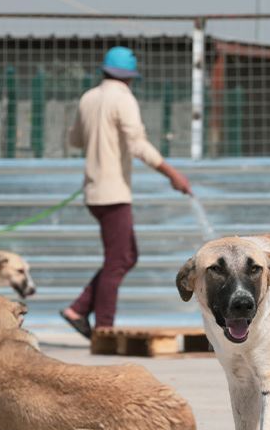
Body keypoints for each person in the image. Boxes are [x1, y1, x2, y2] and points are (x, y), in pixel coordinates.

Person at [60, 45, 191, 339]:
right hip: (113, 192)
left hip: (94, 192)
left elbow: (75, 139)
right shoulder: (123, 99)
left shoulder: (89, 97)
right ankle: (104, 327)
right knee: (118, 260)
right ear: (130, 77)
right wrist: (173, 175)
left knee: (126, 255)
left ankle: (79, 308)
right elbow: (138, 145)